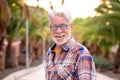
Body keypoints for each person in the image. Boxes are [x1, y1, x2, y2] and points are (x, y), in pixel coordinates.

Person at [45, 9, 96, 80]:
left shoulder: (81, 53)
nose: (58, 31)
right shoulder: (50, 53)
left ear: (71, 27)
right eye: (54, 26)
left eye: (63, 26)